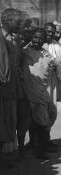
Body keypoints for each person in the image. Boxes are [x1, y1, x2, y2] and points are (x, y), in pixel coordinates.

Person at [22, 28, 58, 160]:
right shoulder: (25, 53)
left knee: (44, 121)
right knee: (30, 122)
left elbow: (53, 68)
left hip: (42, 92)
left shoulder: (47, 55)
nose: (37, 40)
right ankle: (30, 148)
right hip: (28, 91)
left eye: (40, 38)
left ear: (44, 41)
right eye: (35, 37)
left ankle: (41, 148)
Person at [0, 8, 23, 162]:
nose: (20, 25)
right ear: (7, 21)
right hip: (3, 86)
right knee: (4, 121)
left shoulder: (15, 39)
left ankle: (9, 153)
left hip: (14, 87)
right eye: (17, 22)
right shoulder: (1, 38)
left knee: (12, 120)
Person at [43, 22, 61, 148]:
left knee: (52, 110)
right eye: (50, 31)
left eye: (57, 32)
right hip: (41, 81)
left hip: (54, 81)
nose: (52, 34)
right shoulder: (38, 44)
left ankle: (46, 137)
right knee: (41, 110)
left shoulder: (57, 46)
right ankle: (39, 141)